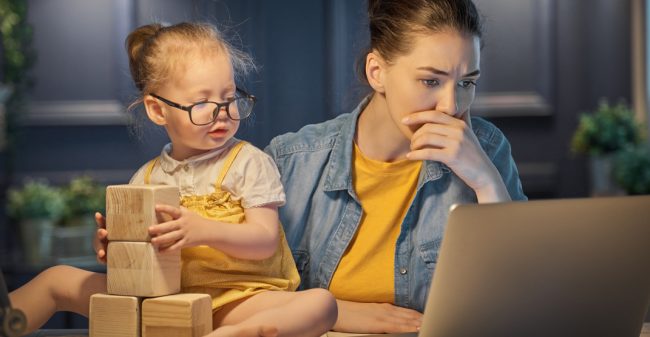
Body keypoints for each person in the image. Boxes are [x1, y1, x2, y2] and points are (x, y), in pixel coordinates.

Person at [9, 22, 337, 337]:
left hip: (232, 301)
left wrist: (204, 230)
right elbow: (138, 258)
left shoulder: (248, 163)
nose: (222, 111)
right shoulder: (146, 177)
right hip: (161, 301)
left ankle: (239, 334)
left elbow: (264, 239)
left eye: (229, 97)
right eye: (202, 103)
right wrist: (114, 247)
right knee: (56, 279)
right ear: (157, 110)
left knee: (321, 304)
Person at [264, 0, 527, 334]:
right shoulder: (292, 162)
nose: (451, 106)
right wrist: (335, 312)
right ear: (377, 72)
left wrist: (486, 182)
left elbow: (518, 302)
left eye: (467, 83)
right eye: (431, 81)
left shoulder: (488, 151)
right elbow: (236, 295)